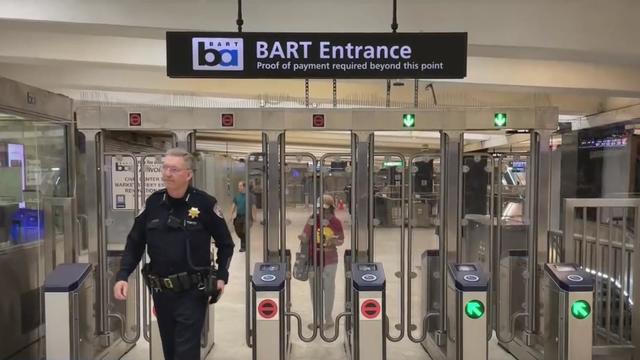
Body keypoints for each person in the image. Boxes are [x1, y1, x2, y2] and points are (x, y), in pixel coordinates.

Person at [113, 148, 234, 360]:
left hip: (192, 292)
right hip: (161, 292)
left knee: (185, 353)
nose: (167, 173)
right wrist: (123, 275)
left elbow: (226, 244)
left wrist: (222, 275)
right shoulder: (153, 204)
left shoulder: (204, 204)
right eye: (165, 168)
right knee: (170, 351)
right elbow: (135, 243)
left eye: (174, 169)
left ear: (188, 174)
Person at [298, 194, 344, 330]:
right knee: (315, 290)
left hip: (330, 260)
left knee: (328, 289)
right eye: (320, 209)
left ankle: (328, 319)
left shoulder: (336, 222)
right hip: (313, 260)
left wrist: (334, 241)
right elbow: (305, 236)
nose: (322, 212)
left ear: (331, 208)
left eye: (325, 209)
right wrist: (303, 238)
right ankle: (317, 318)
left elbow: (341, 240)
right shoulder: (313, 219)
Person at [231, 181, 256, 252]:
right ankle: (244, 241)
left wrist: (254, 216)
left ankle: (243, 247)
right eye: (238, 186)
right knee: (238, 231)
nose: (239, 187)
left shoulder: (250, 196)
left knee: (244, 231)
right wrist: (231, 215)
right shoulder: (237, 196)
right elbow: (233, 205)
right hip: (239, 216)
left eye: (240, 186)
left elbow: (253, 206)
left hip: (247, 217)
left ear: (244, 187)